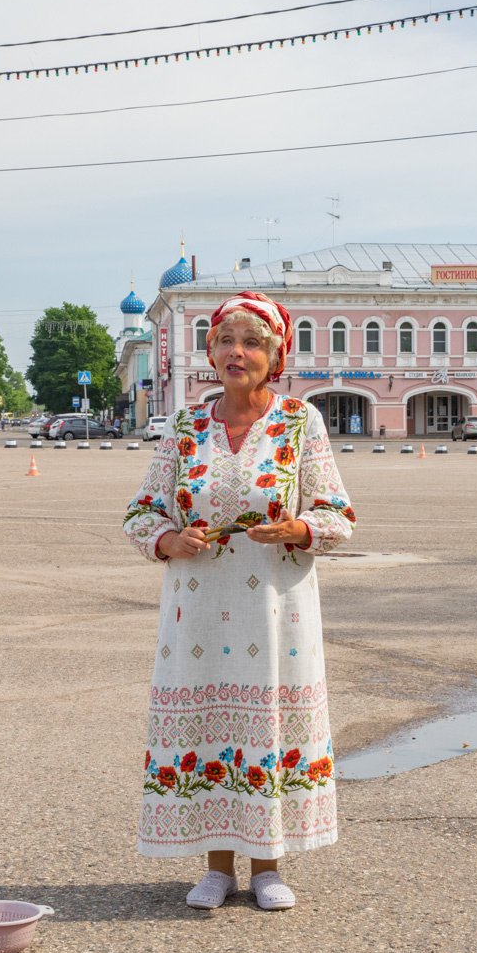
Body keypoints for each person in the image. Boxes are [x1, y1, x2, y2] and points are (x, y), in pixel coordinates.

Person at [123, 291, 355, 912]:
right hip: (196, 608)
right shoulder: (185, 426)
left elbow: (338, 513)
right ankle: (218, 866)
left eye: (253, 342)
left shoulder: (300, 421)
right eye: (226, 340)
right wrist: (170, 539)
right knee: (206, 720)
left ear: (275, 355)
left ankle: (270, 865)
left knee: (268, 723)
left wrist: (299, 530)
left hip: (276, 610)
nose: (237, 352)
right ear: (210, 351)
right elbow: (143, 510)